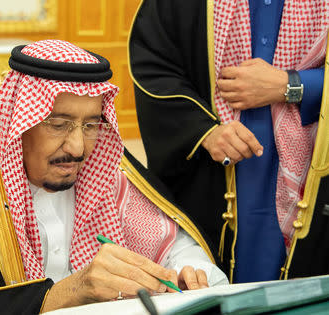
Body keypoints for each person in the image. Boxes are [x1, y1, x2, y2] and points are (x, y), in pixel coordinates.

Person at [0, 40, 227, 315]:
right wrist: (68, 293)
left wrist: (188, 271)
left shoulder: (107, 172)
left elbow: (176, 246)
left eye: (91, 125)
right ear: (21, 120)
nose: (78, 147)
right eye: (58, 124)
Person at [129, 0, 329, 283]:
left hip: (313, 166)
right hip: (213, 175)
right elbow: (154, 61)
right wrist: (204, 132)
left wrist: (293, 85)